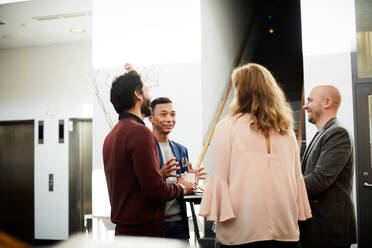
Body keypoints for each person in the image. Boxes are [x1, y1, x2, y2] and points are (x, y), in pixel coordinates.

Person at [199, 63, 312, 248]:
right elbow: (296, 178)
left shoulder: (228, 126)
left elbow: (220, 177)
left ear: (241, 91)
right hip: (285, 229)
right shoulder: (287, 130)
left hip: (241, 229)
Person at [102, 70, 195, 237]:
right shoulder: (140, 132)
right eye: (147, 91)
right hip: (144, 231)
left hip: (124, 231)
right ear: (138, 95)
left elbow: (134, 185)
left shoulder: (111, 136)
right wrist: (182, 187)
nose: (149, 95)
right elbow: (154, 190)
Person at [300, 85, 357, 248]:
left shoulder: (338, 133)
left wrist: (282, 186)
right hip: (317, 228)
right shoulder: (323, 132)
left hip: (328, 229)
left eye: (309, 100)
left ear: (327, 103)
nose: (305, 106)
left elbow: (319, 180)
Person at [148, 97, 207, 240]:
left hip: (180, 225)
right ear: (151, 118)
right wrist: (160, 174)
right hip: (155, 224)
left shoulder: (181, 150)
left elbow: (184, 186)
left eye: (172, 114)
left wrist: (192, 180)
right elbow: (147, 185)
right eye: (163, 114)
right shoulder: (146, 149)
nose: (169, 119)